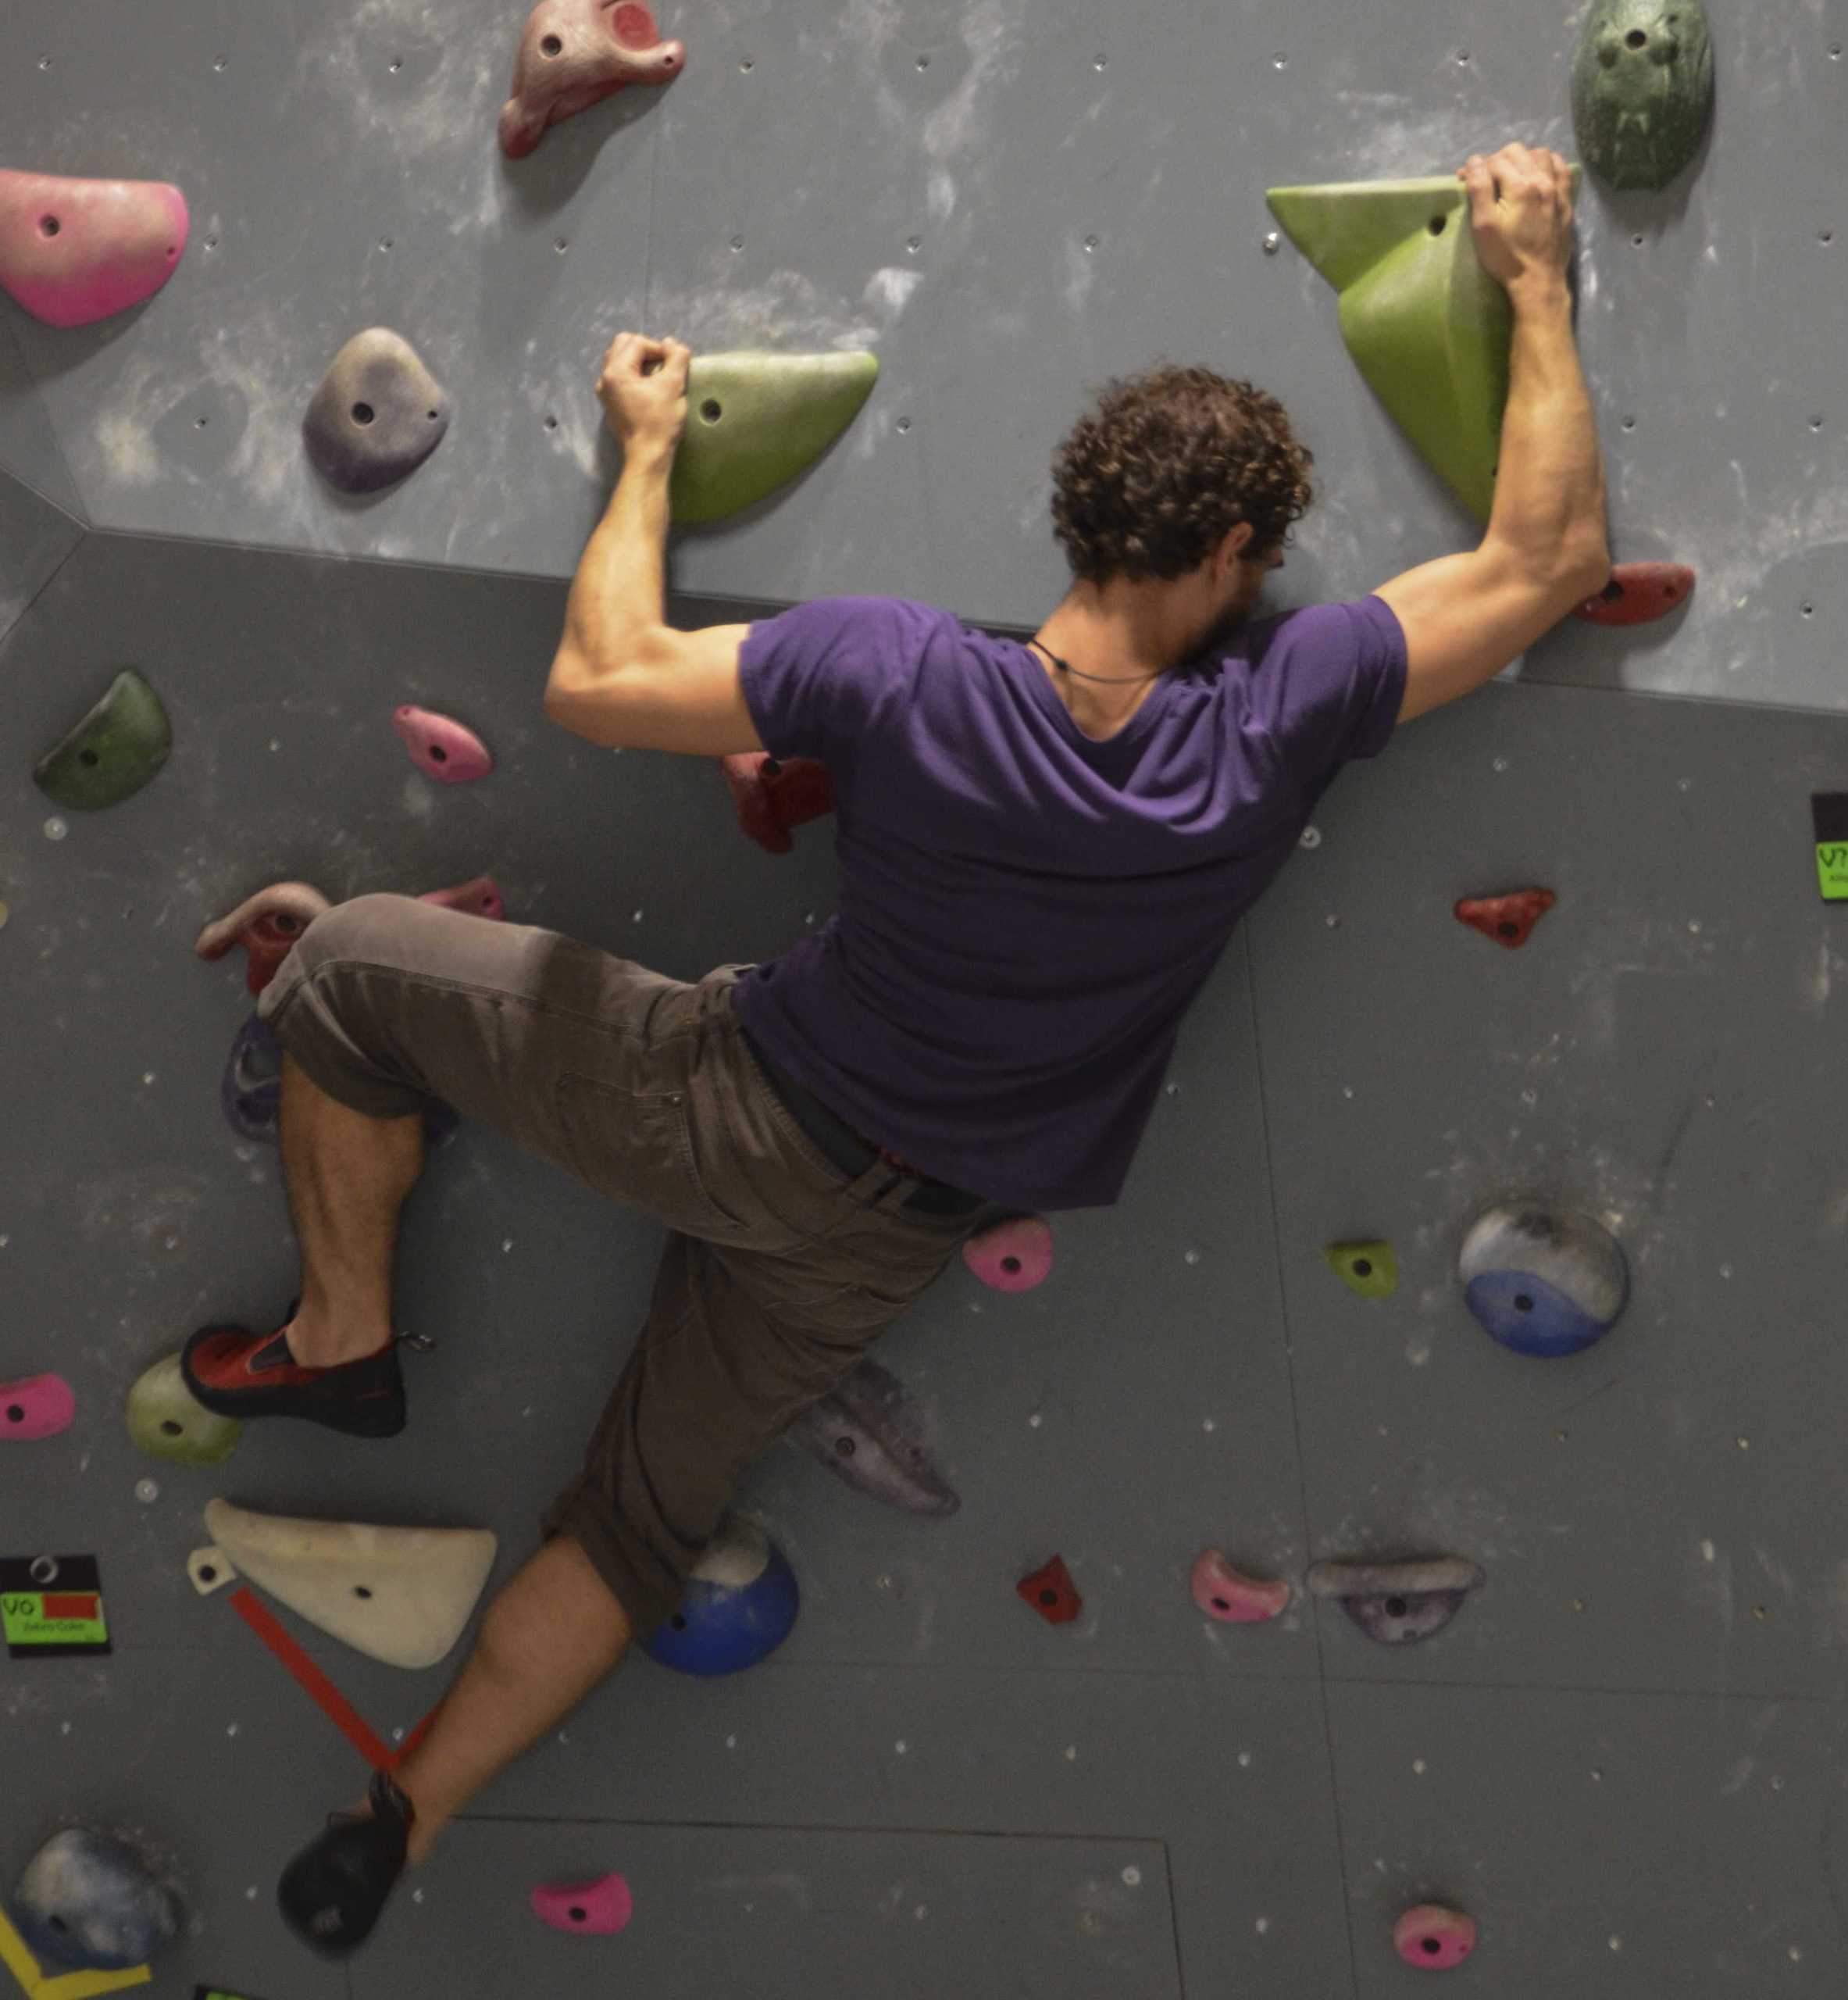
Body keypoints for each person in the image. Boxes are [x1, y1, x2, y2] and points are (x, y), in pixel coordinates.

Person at [181, 141, 1607, 1955]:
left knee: (355, 973)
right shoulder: (1275, 719)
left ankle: (340, 1340)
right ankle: (397, 1817)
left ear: (1078, 520)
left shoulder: (904, 670)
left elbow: (600, 675)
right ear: (1234, 557)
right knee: (634, 1517)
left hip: (729, 1102)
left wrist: (641, 454)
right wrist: (1533, 277)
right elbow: (1550, 554)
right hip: (891, 1228)